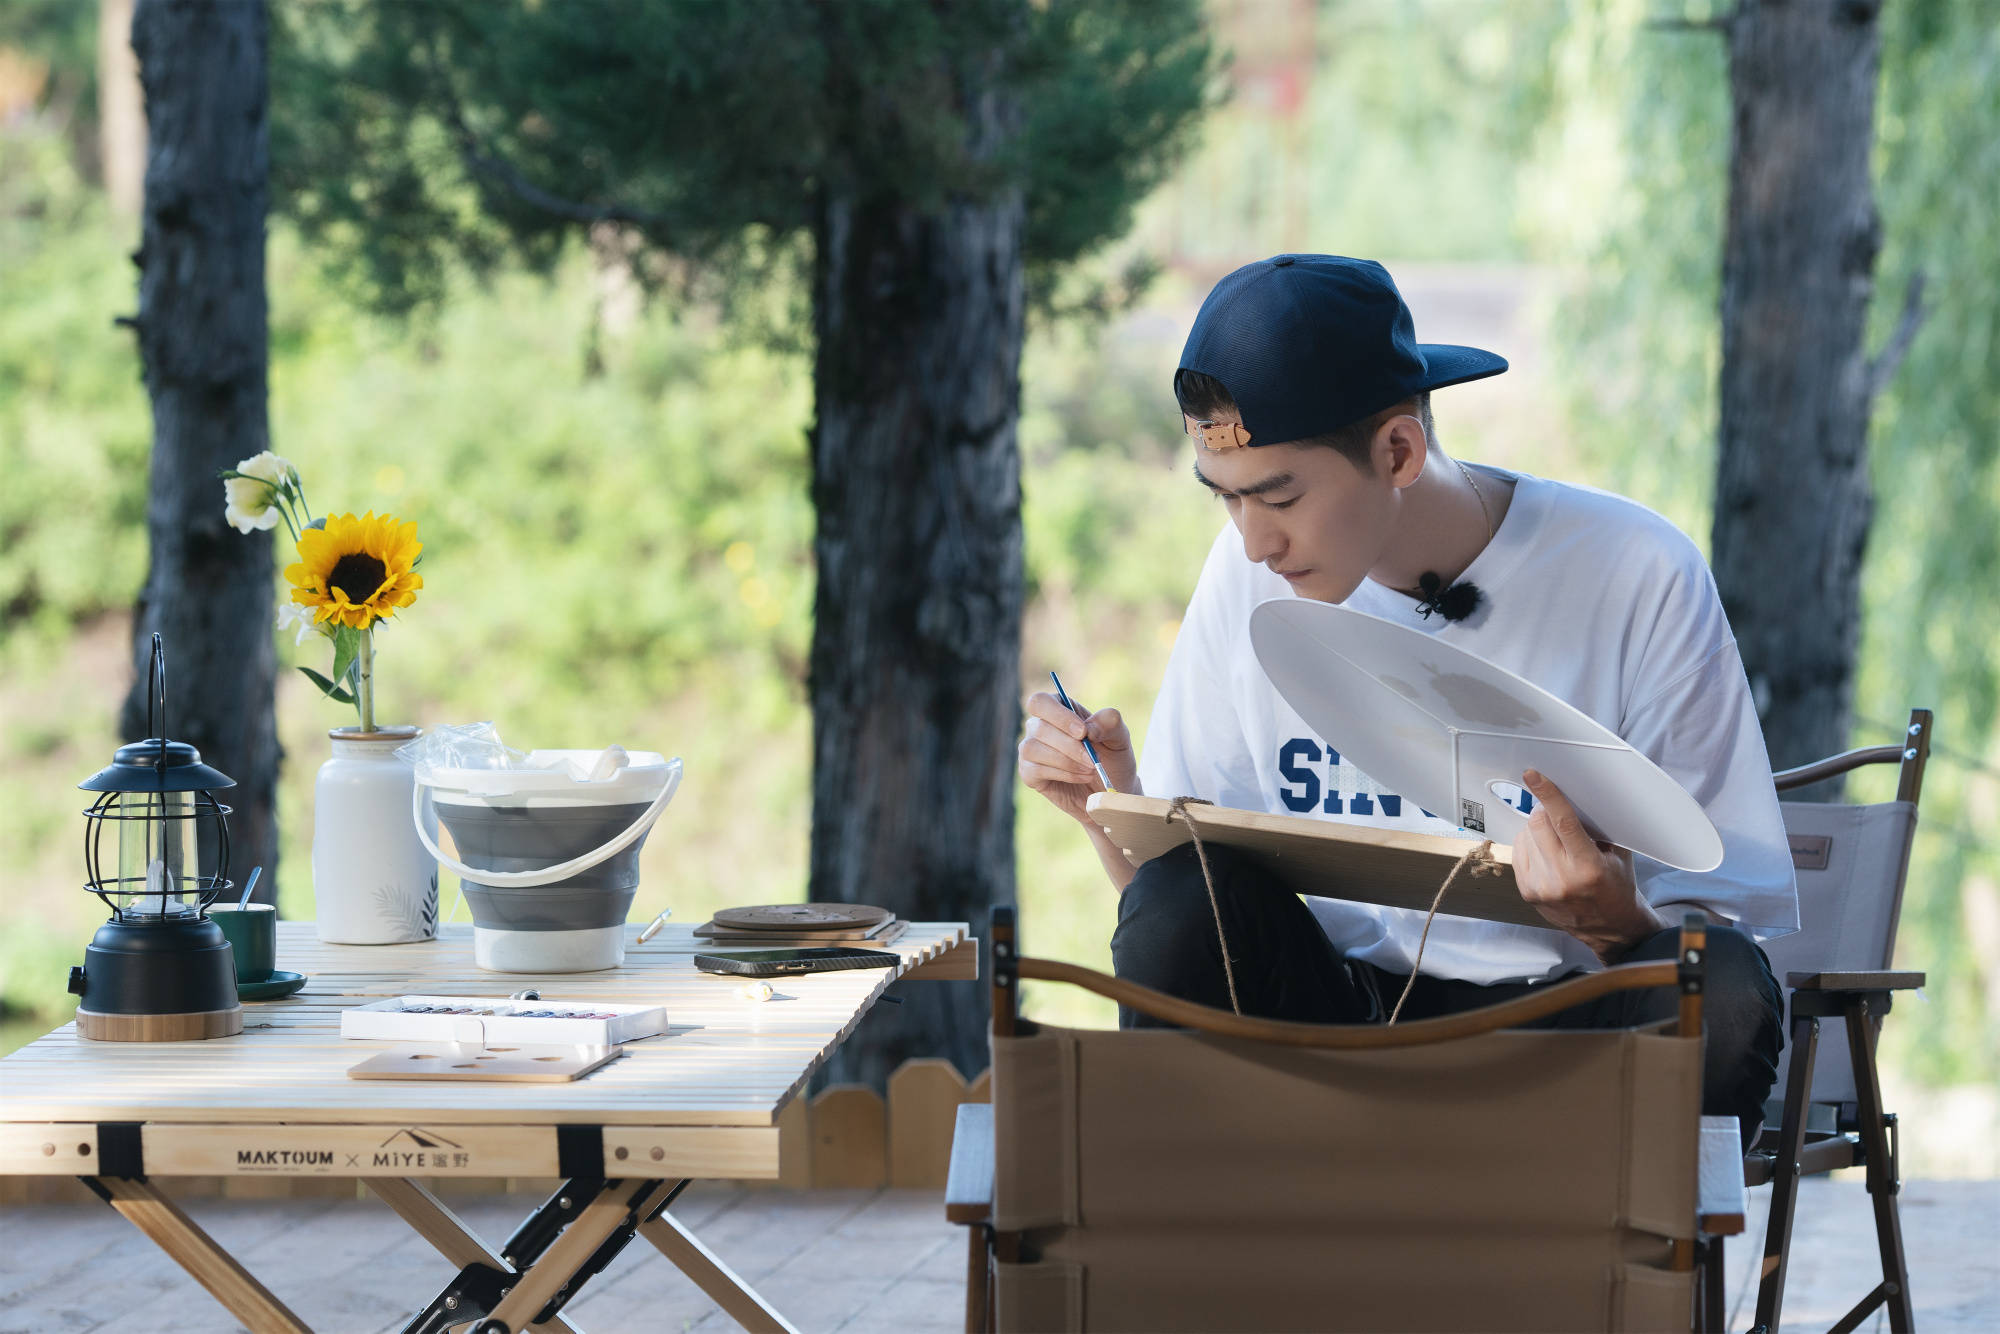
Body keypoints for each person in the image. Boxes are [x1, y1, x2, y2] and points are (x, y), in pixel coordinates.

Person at [1017, 254, 1795, 1143]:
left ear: (1398, 450)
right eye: (1226, 501)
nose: (1255, 542)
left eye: (1278, 496)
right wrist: (1109, 815)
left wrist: (1615, 923)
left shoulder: (1634, 572)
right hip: (1338, 1029)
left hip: (1568, 1033)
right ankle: (1218, 1256)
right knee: (1172, 907)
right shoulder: (1242, 583)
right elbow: (1178, 930)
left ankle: (1595, 1262)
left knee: (1723, 991)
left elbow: (1730, 929)